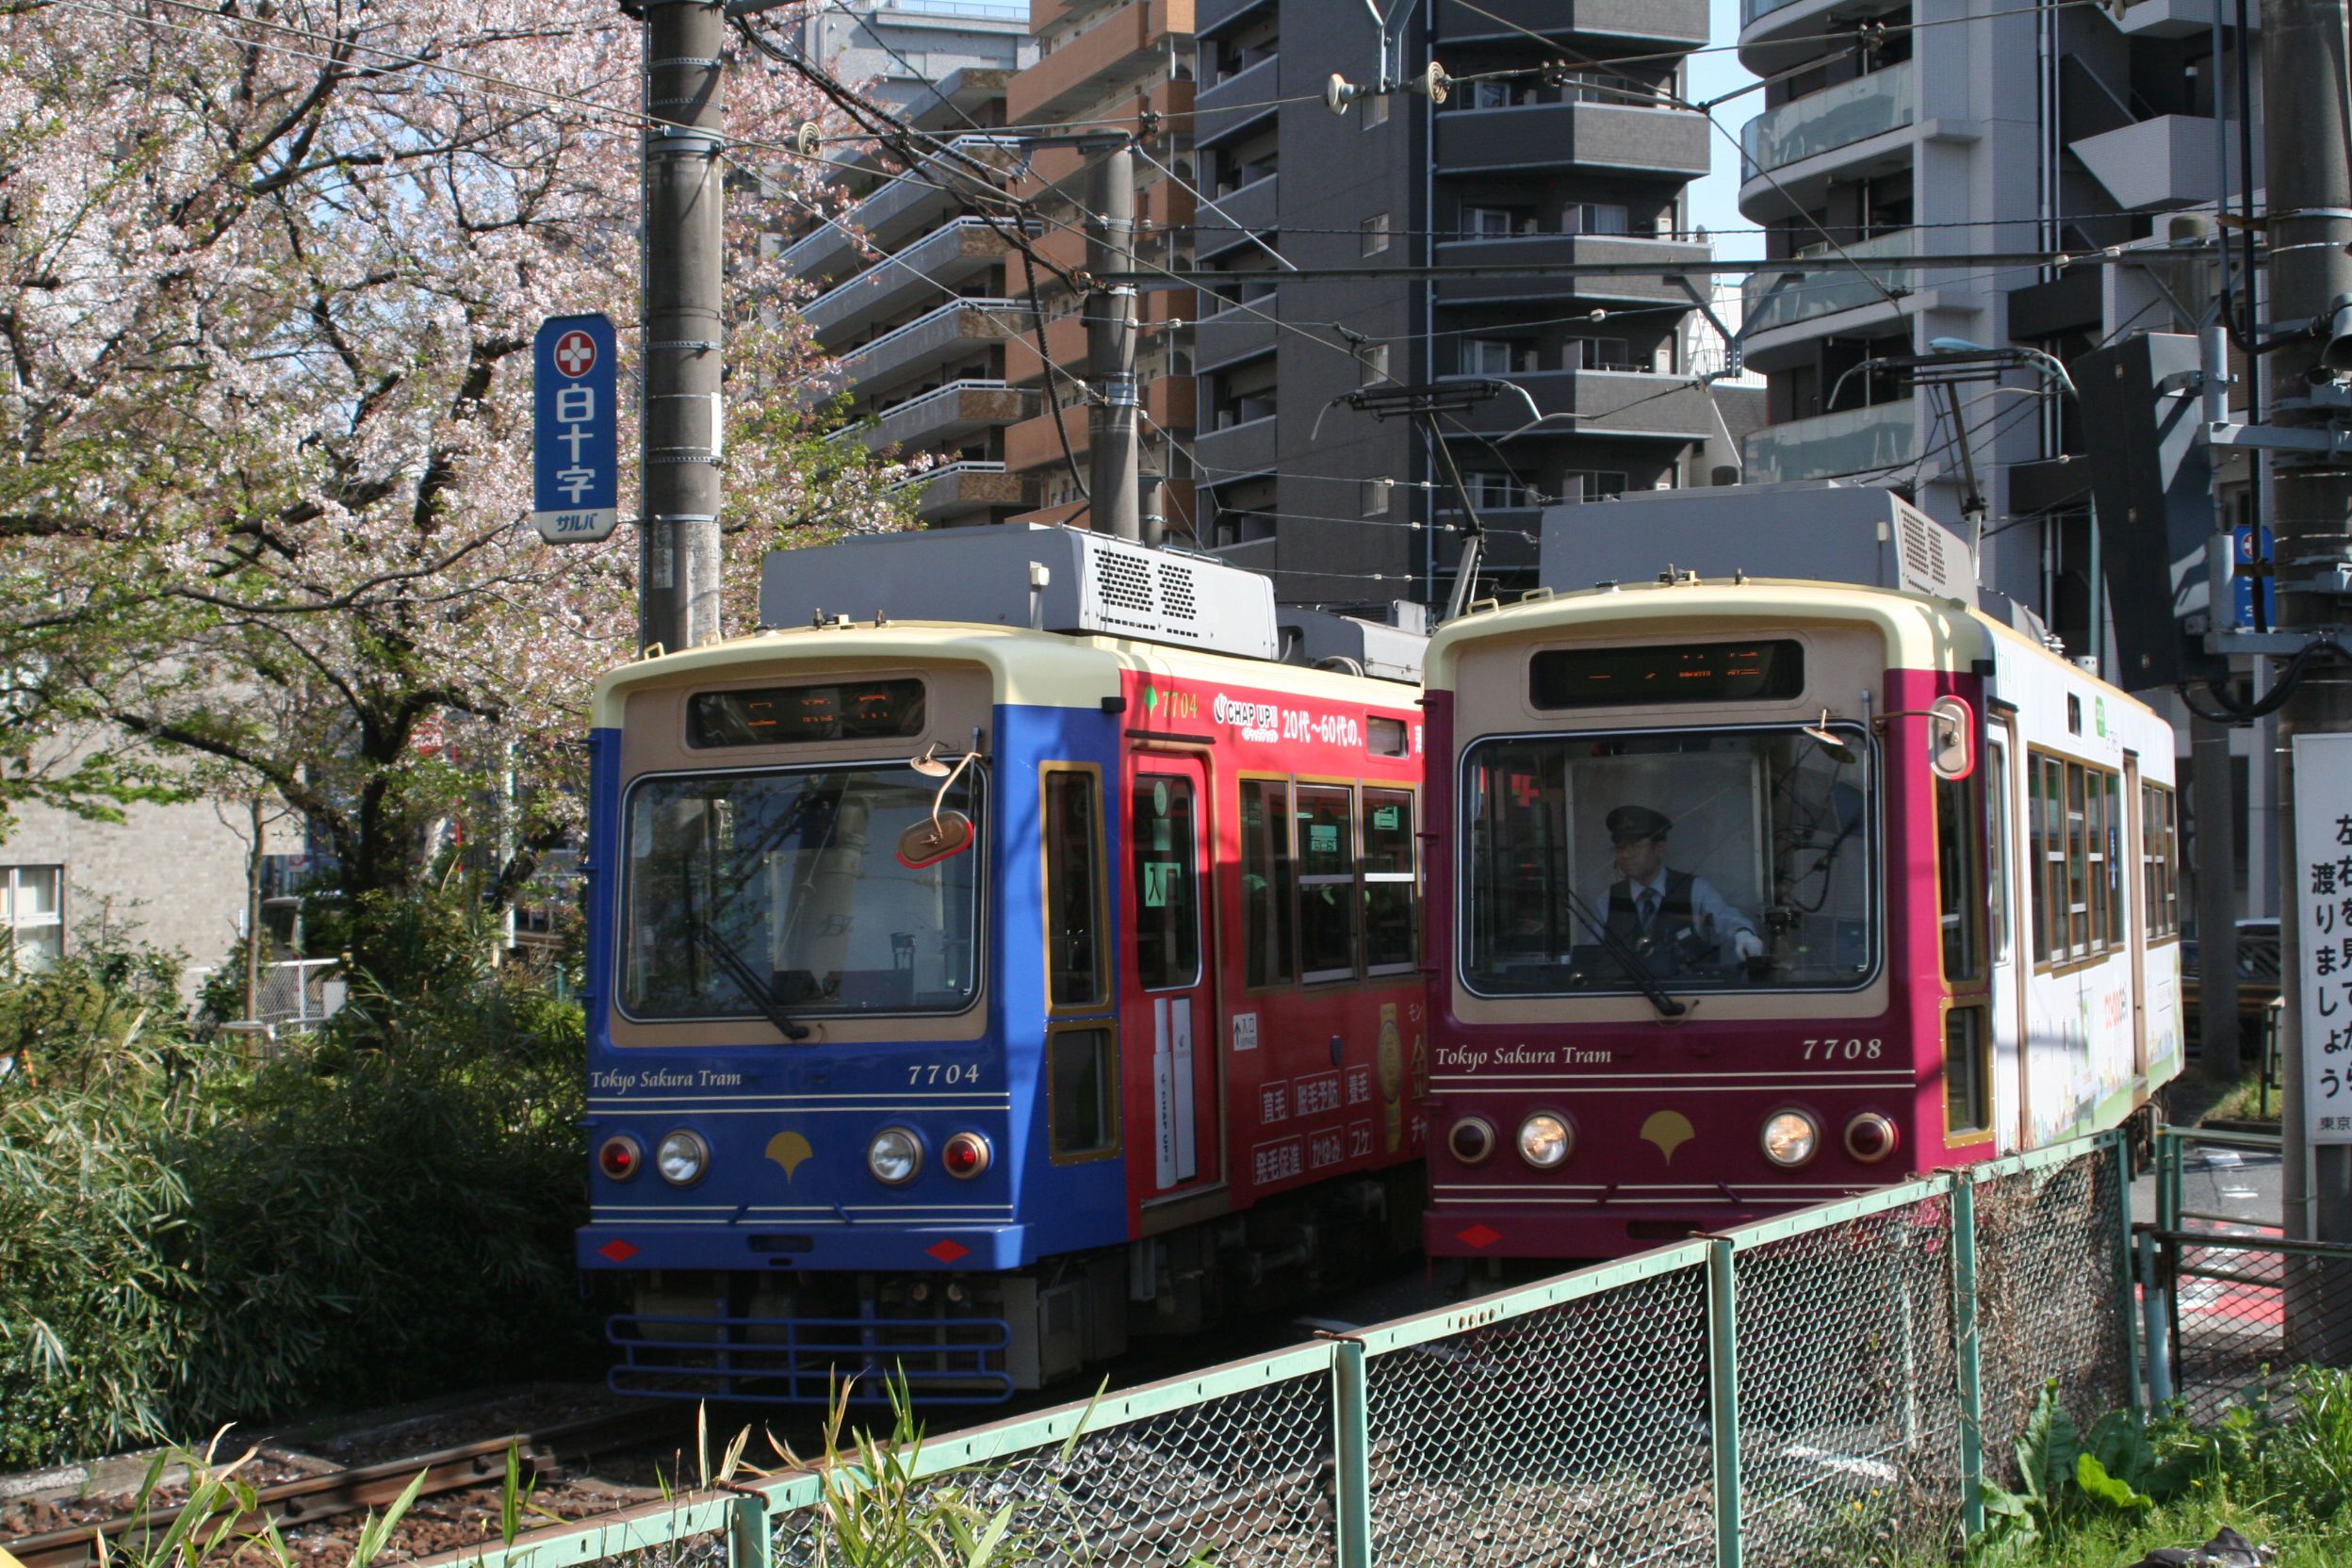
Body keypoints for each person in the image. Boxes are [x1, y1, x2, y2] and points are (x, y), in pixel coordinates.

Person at [1599, 805, 1763, 971]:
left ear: (1660, 848)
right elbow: (1592, 956)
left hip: (1688, 992)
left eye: (1636, 846)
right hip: (1623, 994)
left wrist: (1743, 934)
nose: (1626, 855)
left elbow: (1724, 917)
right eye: (1620, 847)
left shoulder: (1694, 889)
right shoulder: (1609, 900)